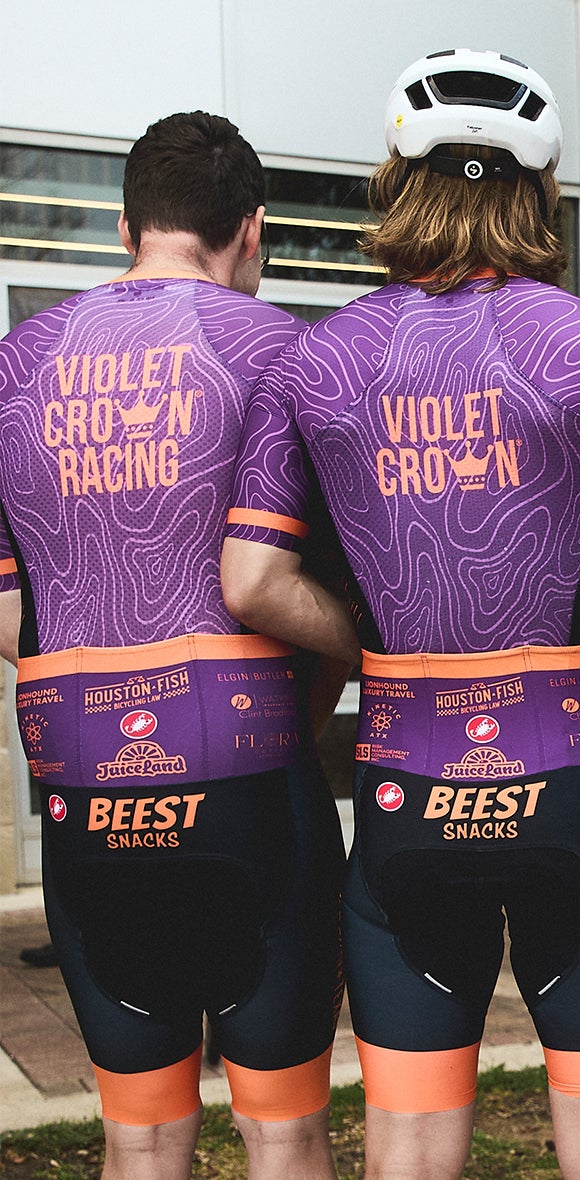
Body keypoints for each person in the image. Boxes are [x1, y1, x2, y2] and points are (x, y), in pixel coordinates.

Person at [219, 50, 580, 1180]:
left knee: (409, 1144)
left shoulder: (316, 363)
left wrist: (385, 656)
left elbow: (250, 582)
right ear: (537, 193)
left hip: (409, 786)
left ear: (396, 178)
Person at [0, 112, 342, 1179]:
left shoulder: (18, 361)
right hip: (254, 774)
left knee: (141, 1134)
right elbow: (325, 590)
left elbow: (11, 616)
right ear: (252, 229)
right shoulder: (284, 349)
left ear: (125, 227)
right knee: (282, 1128)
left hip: (87, 781)